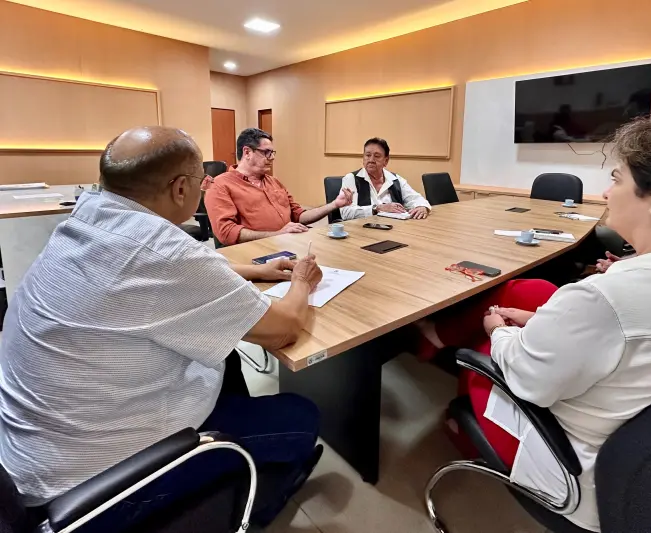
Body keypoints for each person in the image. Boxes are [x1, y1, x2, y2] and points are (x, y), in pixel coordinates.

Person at [418, 112, 651, 532]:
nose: (607, 192)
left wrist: (499, 333)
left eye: (617, 179)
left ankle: (461, 422)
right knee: (534, 291)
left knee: (482, 352)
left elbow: (526, 378)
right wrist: (545, 322)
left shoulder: (604, 299)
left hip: (580, 475)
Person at [0, 126, 324, 530]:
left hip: (38, 452)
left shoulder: (90, 217)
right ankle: (249, 496)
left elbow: (171, 268)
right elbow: (284, 328)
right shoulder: (163, 252)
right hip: (97, 483)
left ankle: (236, 451)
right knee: (302, 417)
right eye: (200, 181)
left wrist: (255, 270)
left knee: (225, 359)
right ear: (180, 188)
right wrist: (301, 280)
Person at [205, 128, 354, 246]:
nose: (272, 158)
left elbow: (299, 216)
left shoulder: (274, 182)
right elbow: (226, 232)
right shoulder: (220, 185)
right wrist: (277, 234)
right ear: (247, 152)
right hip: (253, 252)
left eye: (272, 153)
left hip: (285, 245)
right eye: (267, 152)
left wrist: (335, 204)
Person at [339, 138, 431, 220]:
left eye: (377, 156)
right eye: (368, 155)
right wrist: (377, 208)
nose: (371, 160)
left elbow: (416, 198)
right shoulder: (351, 179)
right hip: (362, 229)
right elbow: (346, 213)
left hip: (394, 229)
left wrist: (422, 207)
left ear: (386, 161)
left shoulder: (395, 179)